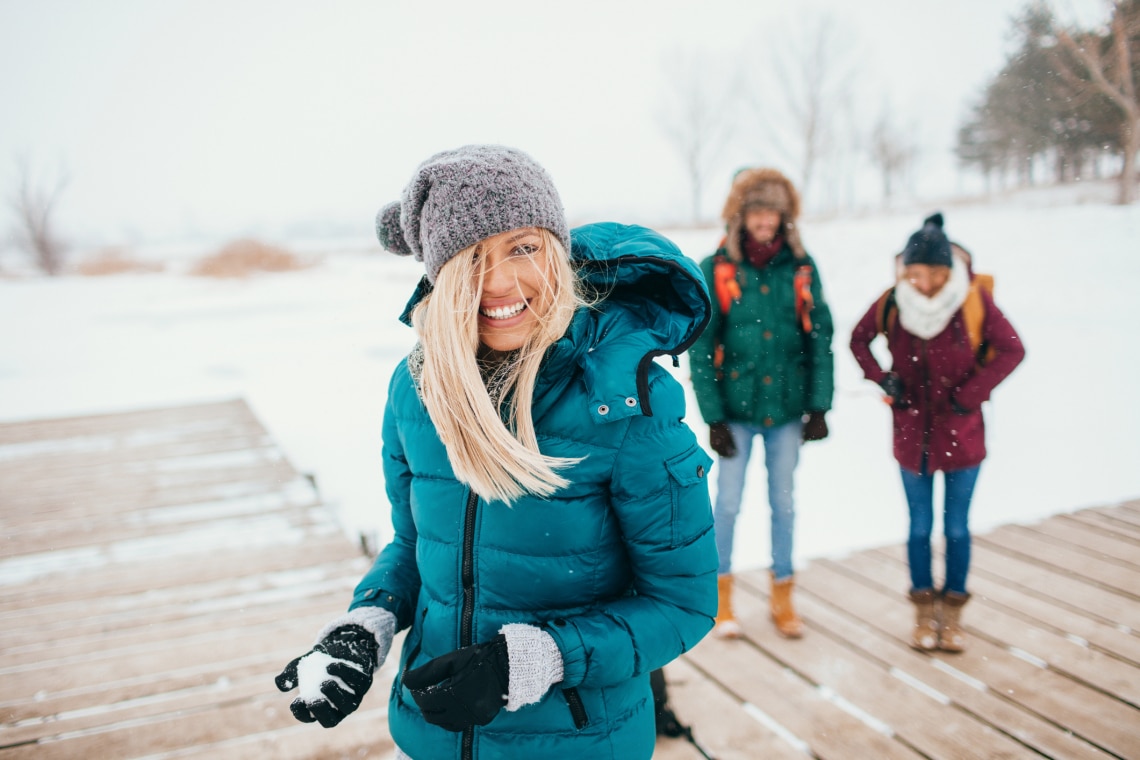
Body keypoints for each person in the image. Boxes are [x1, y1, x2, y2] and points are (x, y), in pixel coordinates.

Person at [273, 145, 718, 759]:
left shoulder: (626, 402)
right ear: (439, 274)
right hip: (431, 734)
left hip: (580, 743)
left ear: (557, 252)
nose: (501, 282)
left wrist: (536, 661)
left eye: (523, 247)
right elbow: (415, 546)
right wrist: (365, 626)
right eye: (471, 258)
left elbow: (681, 603)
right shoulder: (416, 389)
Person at [849, 212, 1024, 653]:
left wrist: (971, 393)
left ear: (947, 272)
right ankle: (924, 613)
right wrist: (882, 377)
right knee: (919, 527)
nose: (921, 283)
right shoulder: (893, 301)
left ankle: (954, 617)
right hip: (911, 437)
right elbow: (858, 339)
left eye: (929, 274)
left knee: (958, 529)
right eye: (913, 273)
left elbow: (1012, 349)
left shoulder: (972, 302)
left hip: (963, 436)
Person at [689, 168, 834, 640]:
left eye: (772, 212)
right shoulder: (718, 269)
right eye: (756, 211)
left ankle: (783, 596)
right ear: (741, 216)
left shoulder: (802, 268)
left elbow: (820, 338)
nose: (764, 221)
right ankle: (721, 599)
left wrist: (819, 406)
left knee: (784, 504)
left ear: (784, 217)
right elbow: (701, 344)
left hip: (788, 412)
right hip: (736, 412)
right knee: (726, 505)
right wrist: (713, 418)